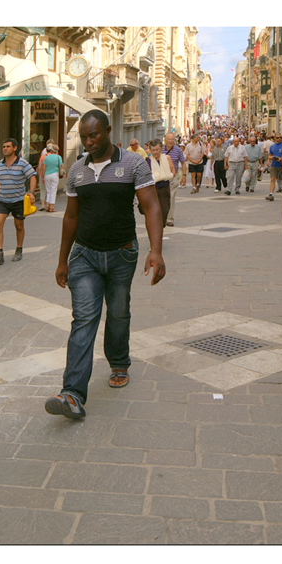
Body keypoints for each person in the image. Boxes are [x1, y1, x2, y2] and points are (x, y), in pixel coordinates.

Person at [45, 110, 166, 419]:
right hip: (84, 255)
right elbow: (71, 216)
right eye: (84, 137)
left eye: (94, 135)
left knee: (118, 310)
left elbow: (151, 206)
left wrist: (156, 250)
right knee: (84, 318)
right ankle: (72, 393)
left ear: (109, 131)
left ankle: (119, 360)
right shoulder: (76, 170)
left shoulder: (134, 164)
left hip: (122, 254)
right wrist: (62, 260)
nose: (89, 142)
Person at [0, 138, 37, 266]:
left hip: (18, 200)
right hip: (2, 200)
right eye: (4, 146)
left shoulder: (22, 163)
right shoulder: (0, 164)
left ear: (15, 148)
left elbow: (32, 176)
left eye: (8, 146)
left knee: (19, 226)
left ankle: (19, 249)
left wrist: (31, 192)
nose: (5, 149)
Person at [146, 139, 174, 226]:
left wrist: (167, 176)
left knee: (165, 210)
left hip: (164, 188)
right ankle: (157, 228)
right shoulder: (148, 160)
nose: (155, 152)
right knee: (154, 211)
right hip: (153, 189)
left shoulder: (167, 158)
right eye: (153, 150)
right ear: (150, 150)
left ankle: (161, 225)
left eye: (157, 150)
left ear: (161, 149)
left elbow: (173, 171)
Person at [162, 132, 185, 227]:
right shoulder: (160, 149)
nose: (171, 141)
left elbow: (183, 163)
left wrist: (184, 175)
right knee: (162, 198)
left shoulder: (178, 150)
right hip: (162, 177)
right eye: (169, 139)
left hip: (174, 176)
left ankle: (169, 219)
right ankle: (162, 217)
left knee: (171, 196)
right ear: (165, 140)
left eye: (172, 139)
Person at [41, 143, 64, 213]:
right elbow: (61, 166)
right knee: (53, 191)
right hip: (54, 174)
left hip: (47, 175)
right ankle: (51, 207)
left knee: (48, 190)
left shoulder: (46, 157)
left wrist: (42, 177)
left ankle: (47, 206)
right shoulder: (58, 157)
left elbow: (43, 168)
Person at [265, 134, 282, 201]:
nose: (279, 139)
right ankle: (271, 194)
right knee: (273, 179)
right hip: (274, 164)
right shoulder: (272, 146)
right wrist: (269, 160)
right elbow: (270, 155)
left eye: (280, 137)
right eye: (278, 138)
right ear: (275, 138)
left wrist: (281, 159)